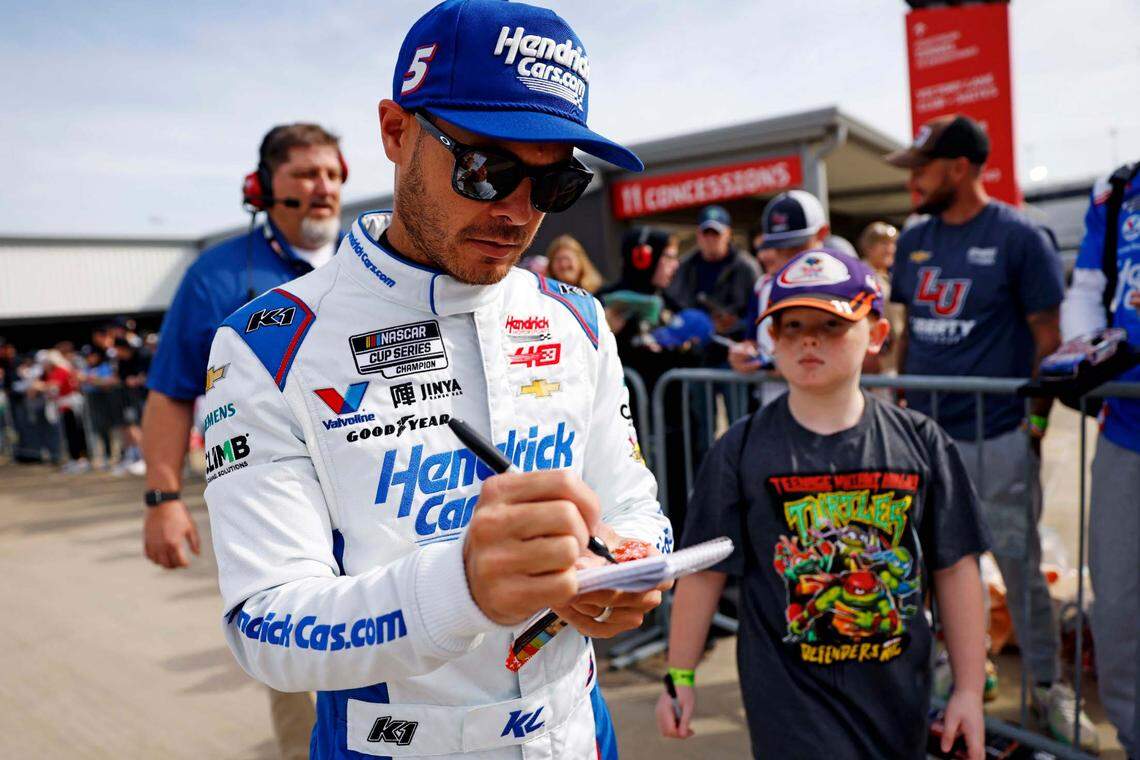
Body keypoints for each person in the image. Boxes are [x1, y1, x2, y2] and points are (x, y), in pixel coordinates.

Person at [201, 2, 671, 758]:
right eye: (488, 170)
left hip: (576, 732)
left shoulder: (577, 321)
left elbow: (636, 507)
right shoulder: (269, 344)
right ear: (396, 132)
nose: (518, 214)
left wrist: (632, 567)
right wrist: (461, 588)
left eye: (556, 187)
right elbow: (264, 627)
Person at [659, 249, 990, 760]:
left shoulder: (921, 442)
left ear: (877, 335)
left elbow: (956, 567)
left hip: (898, 702)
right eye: (790, 326)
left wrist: (968, 689)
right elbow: (704, 572)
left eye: (831, 324)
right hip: (790, 709)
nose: (808, 339)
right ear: (771, 338)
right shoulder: (740, 450)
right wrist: (679, 672)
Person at [885, 114, 1097, 750]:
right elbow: (904, 329)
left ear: (958, 168)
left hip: (997, 433)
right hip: (924, 437)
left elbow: (1046, 339)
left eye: (923, 167)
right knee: (927, 565)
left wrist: (1031, 426)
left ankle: (1046, 687)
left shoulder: (1019, 236)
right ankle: (951, 671)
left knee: (1017, 563)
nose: (914, 181)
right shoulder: (915, 237)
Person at [141, 121, 346, 760]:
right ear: (263, 187)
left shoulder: (371, 260)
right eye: (307, 175)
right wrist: (163, 500)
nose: (325, 188)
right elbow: (171, 392)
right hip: (274, 508)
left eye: (335, 175)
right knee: (305, 670)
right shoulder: (214, 276)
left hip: (373, 489)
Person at [1059, 160, 1140, 758]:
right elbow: (1087, 289)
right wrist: (1088, 352)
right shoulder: (1115, 191)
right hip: (1124, 434)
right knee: (1117, 606)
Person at [667, 204, 759, 340]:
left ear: (728, 234)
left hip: (733, 345)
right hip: (691, 345)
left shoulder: (747, 267)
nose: (710, 239)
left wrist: (735, 324)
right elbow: (672, 305)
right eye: (706, 233)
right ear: (698, 234)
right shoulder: (684, 266)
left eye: (716, 233)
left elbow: (758, 311)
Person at [856, 221, 904, 378]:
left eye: (892, 244)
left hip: (893, 360)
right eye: (884, 244)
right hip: (876, 360)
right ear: (869, 247)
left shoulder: (889, 276)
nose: (890, 249)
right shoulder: (861, 276)